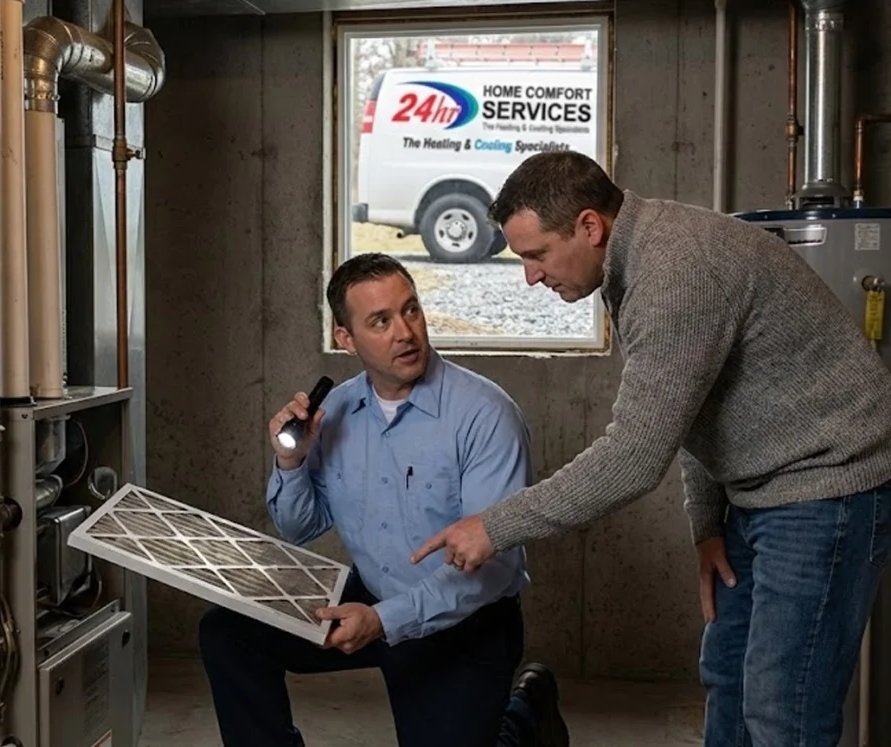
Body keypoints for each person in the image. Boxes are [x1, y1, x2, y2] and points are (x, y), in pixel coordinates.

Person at [412, 150, 891, 746]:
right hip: (759, 489)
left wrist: (494, 526)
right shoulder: (636, 258)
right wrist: (708, 524)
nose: (530, 276)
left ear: (589, 227)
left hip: (826, 486)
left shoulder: (675, 271)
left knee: (781, 710)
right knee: (729, 679)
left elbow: (635, 456)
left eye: (536, 255)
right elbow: (692, 403)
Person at [198, 252, 571, 747]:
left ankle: (527, 709)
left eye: (410, 309)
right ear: (345, 338)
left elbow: (493, 568)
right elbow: (300, 527)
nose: (406, 332)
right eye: (380, 321)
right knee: (228, 632)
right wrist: (291, 463)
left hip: (464, 621)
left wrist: (383, 621)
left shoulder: (485, 415)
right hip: (372, 593)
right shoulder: (337, 410)